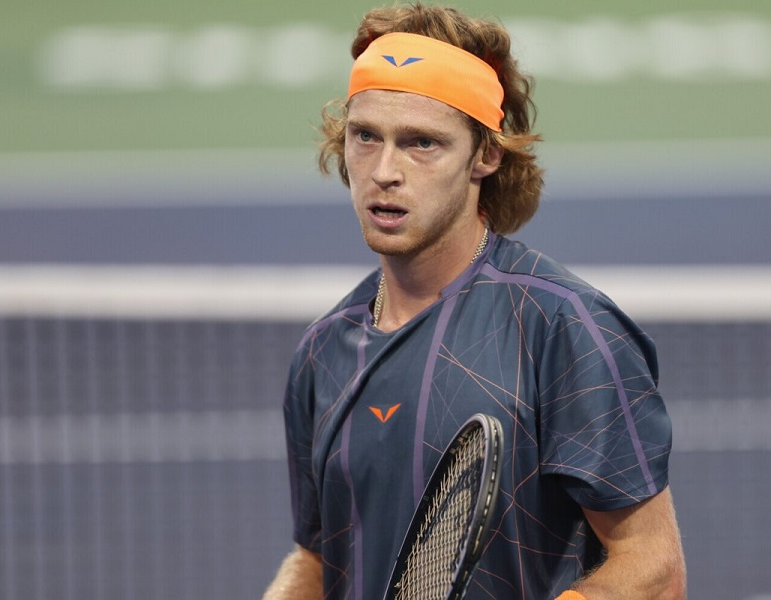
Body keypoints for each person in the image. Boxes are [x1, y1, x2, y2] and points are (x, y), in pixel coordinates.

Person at [263, 3, 686, 599]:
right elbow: (317, 558)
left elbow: (654, 569)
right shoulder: (322, 351)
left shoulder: (564, 328)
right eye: (366, 136)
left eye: (422, 143)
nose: (384, 171)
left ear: (485, 155)